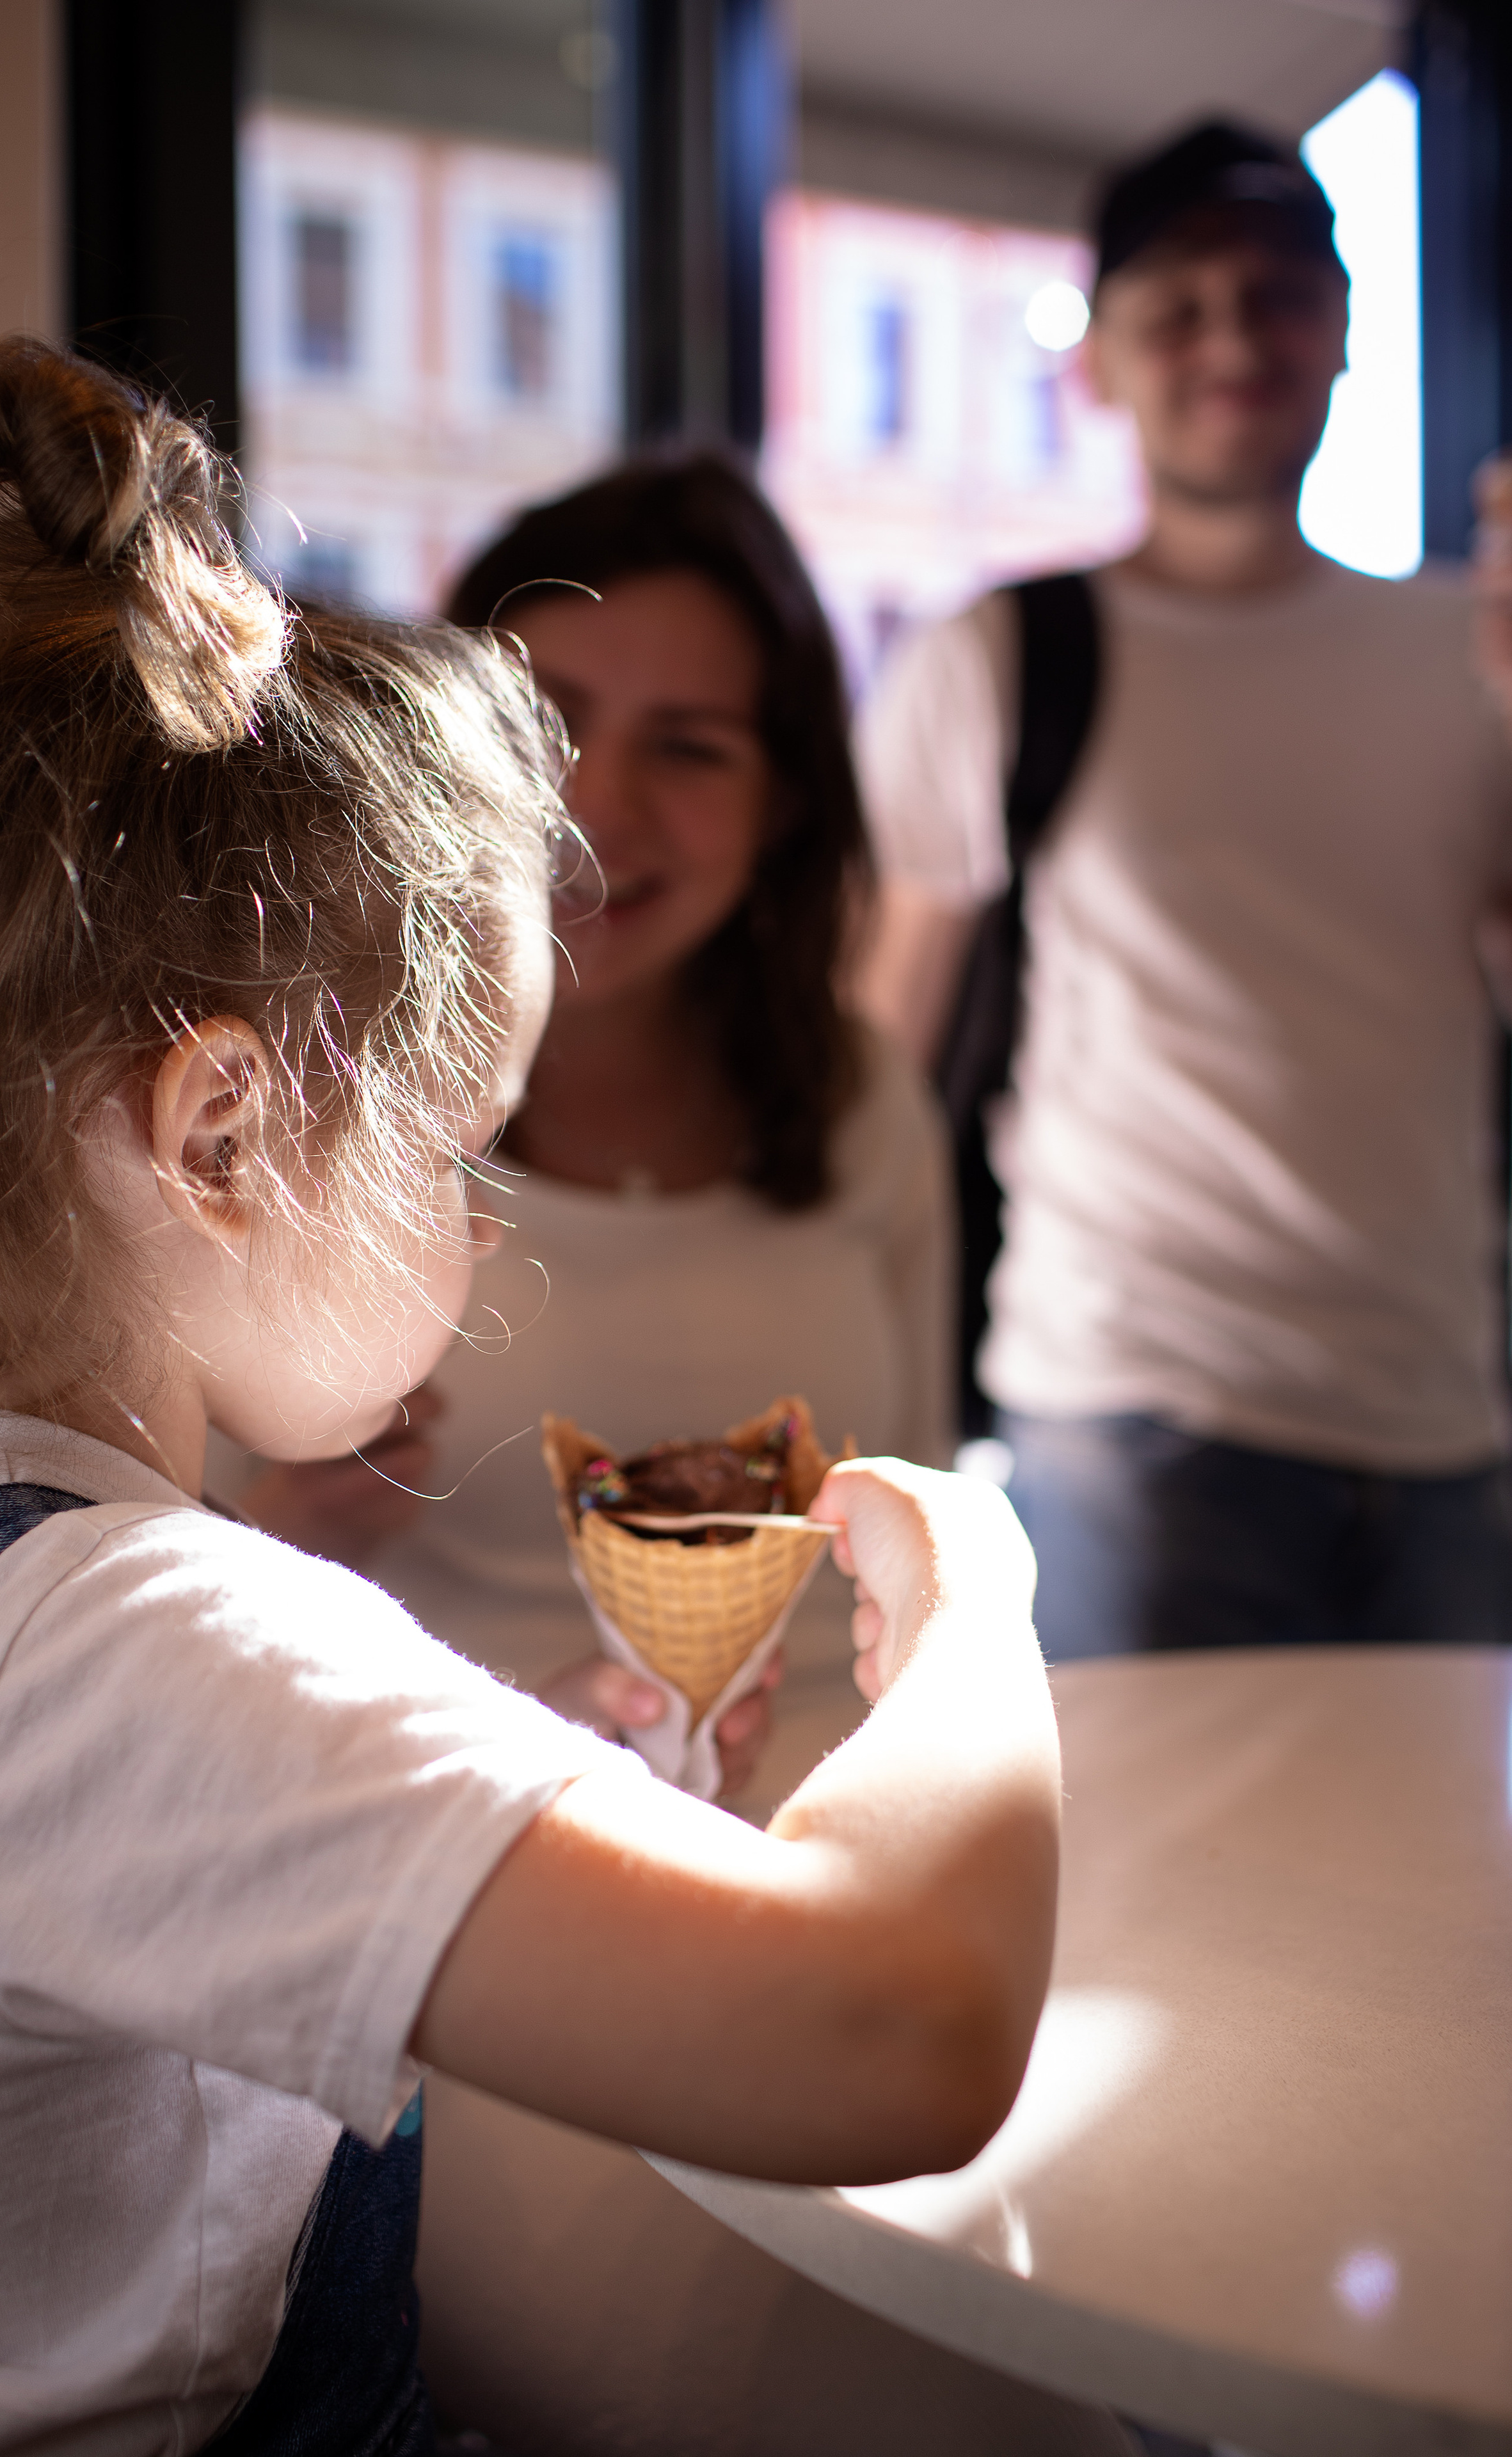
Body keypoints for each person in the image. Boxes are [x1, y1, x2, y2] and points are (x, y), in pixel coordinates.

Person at [0, 340, 1098, 2456]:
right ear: (228, 1135)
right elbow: (903, 2029)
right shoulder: (133, 1647)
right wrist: (981, 1601)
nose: (478, 1220)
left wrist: (545, 1770)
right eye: (454, 1149)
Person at [860, 118, 1512, 1657]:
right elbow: (876, 1065)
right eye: (1179, 302)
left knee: (1438, 1896)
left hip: (1440, 1416)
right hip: (1124, 1428)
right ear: (1097, 359)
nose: (1233, 335)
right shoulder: (997, 657)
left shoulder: (1462, 654)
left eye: (1280, 292)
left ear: (1343, 335)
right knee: (1154, 1892)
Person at [225, 456, 955, 1817]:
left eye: (689, 746)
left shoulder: (861, 1098)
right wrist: (284, 1520)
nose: (593, 808)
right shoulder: (307, 1105)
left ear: (783, 802)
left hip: (853, 1860)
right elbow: (154, 1610)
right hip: (456, 1852)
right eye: (544, 722)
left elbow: (924, 1542)